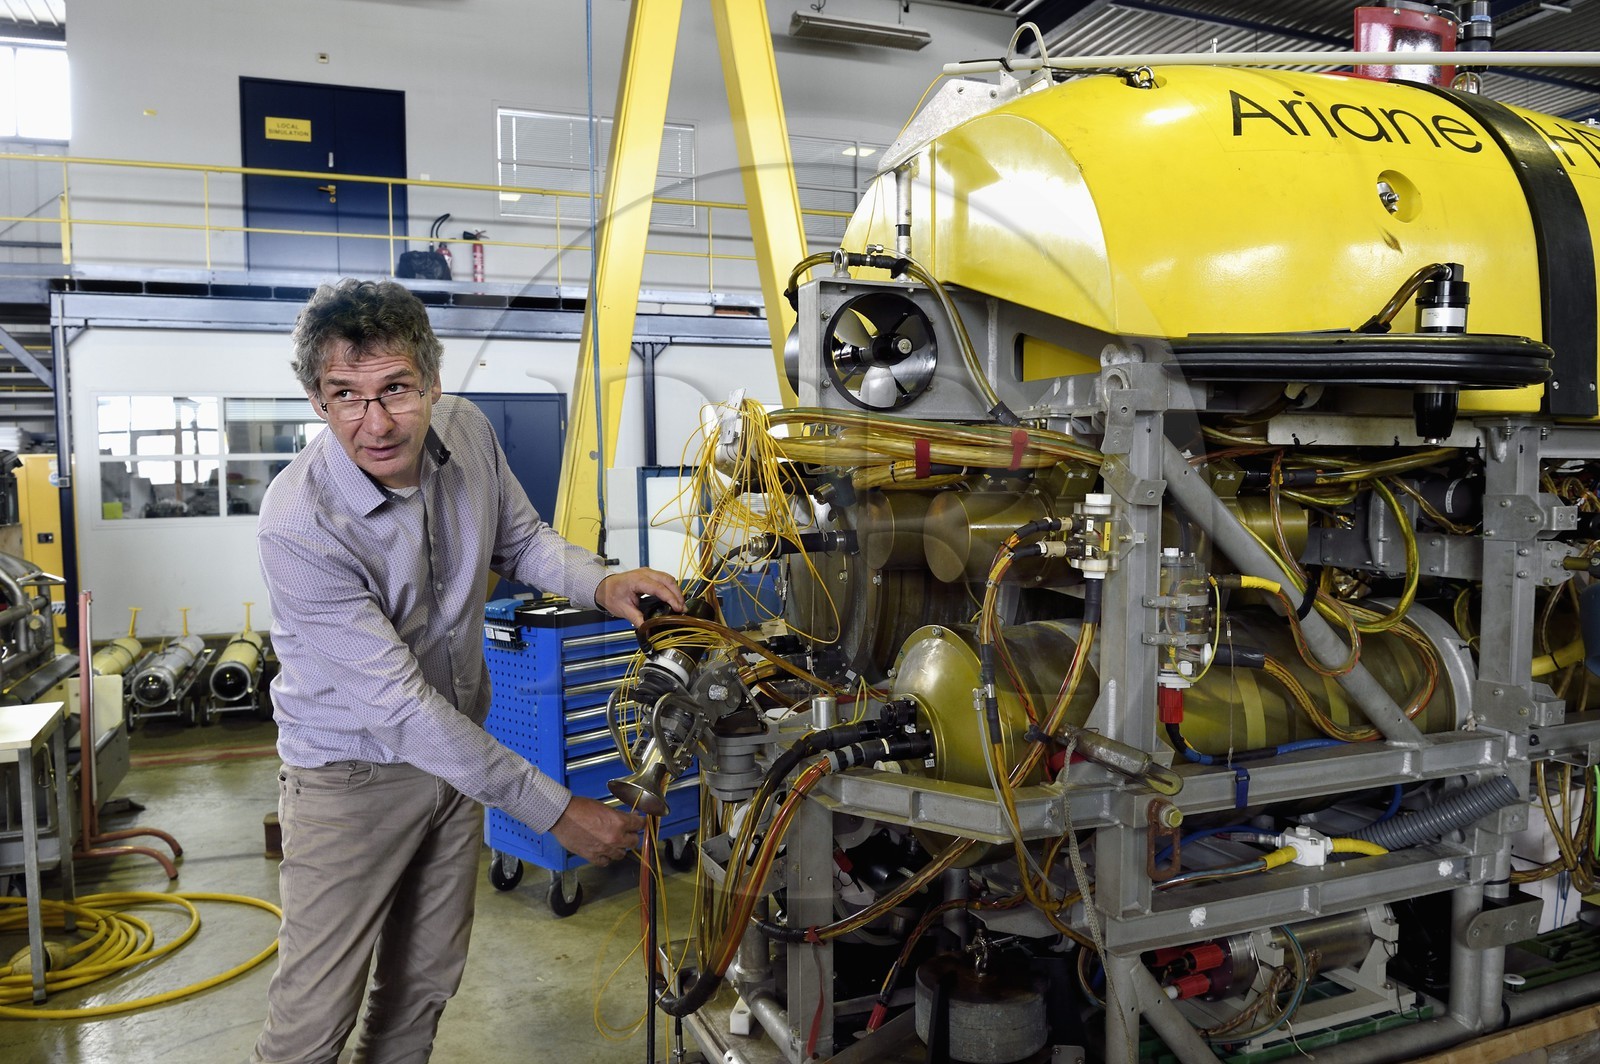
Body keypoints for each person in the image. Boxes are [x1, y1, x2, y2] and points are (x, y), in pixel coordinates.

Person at [250, 278, 684, 1064]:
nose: (374, 423)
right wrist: (554, 812)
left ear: (433, 380)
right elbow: (404, 710)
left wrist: (602, 581)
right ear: (316, 400)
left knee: (422, 986)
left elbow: (520, 540)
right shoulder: (300, 523)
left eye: (395, 390)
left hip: (455, 766)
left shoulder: (468, 431)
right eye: (345, 395)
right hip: (351, 779)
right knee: (313, 1022)